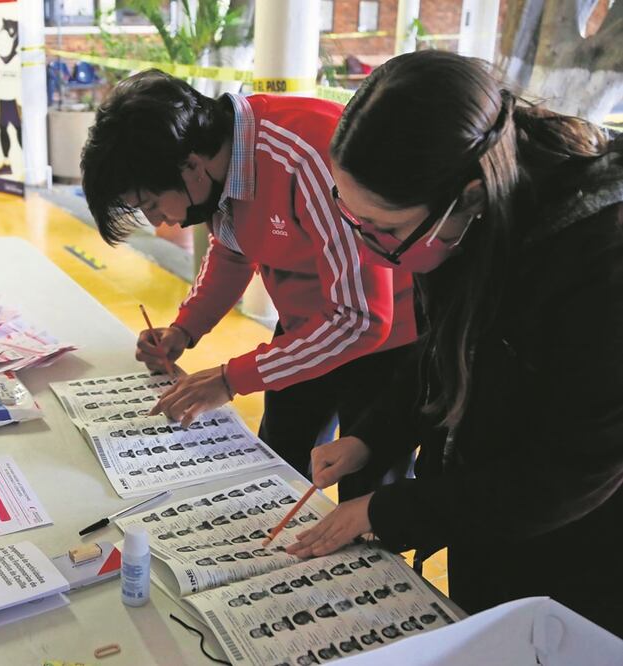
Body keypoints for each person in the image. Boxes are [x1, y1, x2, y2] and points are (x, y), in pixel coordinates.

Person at [285, 50, 623, 636]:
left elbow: (569, 474)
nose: (371, 250)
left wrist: (390, 510)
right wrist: (374, 435)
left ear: (466, 195)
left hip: (583, 547)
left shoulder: (602, 261)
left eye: (386, 230)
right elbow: (445, 350)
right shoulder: (467, 212)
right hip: (489, 515)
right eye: (355, 221)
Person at [80, 69, 416, 498]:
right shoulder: (219, 169)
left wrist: (229, 379)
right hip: (306, 329)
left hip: (385, 343)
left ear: (192, 166)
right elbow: (232, 249)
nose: (156, 220)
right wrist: (184, 329)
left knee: (368, 500)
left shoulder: (304, 156)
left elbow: (361, 319)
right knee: (275, 470)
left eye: (150, 203)